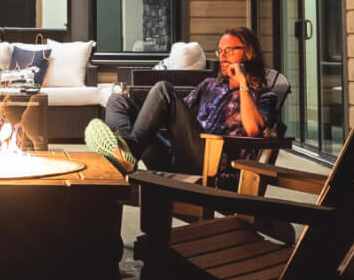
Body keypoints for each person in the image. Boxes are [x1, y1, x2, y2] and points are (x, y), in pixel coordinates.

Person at [84, 27, 280, 175]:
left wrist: (243, 83)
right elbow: (176, 117)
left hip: (211, 165)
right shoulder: (210, 85)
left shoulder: (264, 95)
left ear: (249, 52)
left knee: (163, 89)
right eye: (220, 51)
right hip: (179, 156)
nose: (223, 56)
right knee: (118, 99)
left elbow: (254, 130)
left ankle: (124, 153)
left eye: (230, 50)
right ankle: (125, 151)